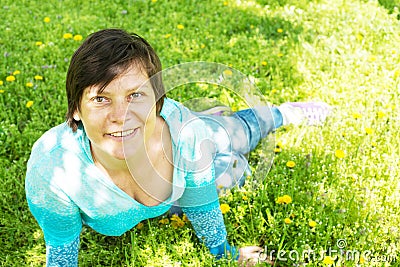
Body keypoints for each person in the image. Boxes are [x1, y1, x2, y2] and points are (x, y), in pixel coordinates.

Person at [25, 29, 330, 266]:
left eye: (135, 96)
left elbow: (201, 200)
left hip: (198, 137)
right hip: (180, 176)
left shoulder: (185, 134)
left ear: (157, 102)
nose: (120, 117)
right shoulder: (52, 173)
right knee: (237, 170)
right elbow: (61, 251)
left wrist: (224, 252)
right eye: (101, 99)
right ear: (76, 109)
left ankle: (285, 113)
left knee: (236, 136)